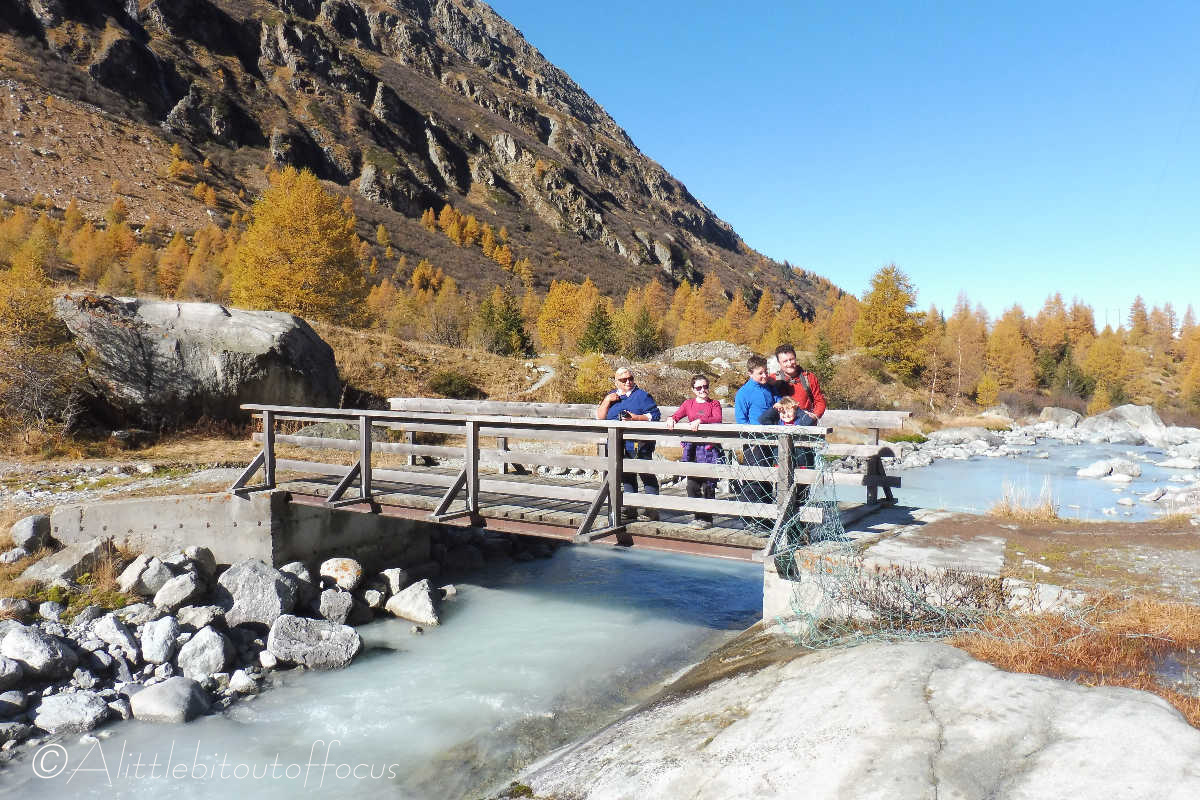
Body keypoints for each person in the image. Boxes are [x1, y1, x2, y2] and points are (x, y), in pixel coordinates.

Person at [597, 367, 661, 521]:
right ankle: (630, 508)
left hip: (640, 443)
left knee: (646, 474)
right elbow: (600, 417)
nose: (628, 382)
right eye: (623, 379)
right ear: (616, 381)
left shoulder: (642, 396)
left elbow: (655, 415)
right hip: (617, 444)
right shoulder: (612, 396)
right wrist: (606, 401)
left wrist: (635, 418)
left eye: (630, 378)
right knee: (626, 475)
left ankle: (652, 510)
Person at [667, 374, 723, 529]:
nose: (703, 390)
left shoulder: (714, 403)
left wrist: (701, 421)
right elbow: (677, 415)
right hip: (692, 449)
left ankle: (707, 518)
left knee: (708, 484)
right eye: (699, 388)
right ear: (693, 389)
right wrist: (671, 419)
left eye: (705, 386)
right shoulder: (688, 403)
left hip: (709, 449)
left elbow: (717, 419)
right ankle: (697, 516)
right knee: (692, 484)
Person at [733, 355, 781, 525]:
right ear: (750, 373)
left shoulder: (770, 388)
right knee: (753, 481)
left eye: (766, 372)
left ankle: (766, 519)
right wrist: (752, 439)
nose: (764, 375)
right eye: (760, 373)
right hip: (753, 443)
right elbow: (741, 420)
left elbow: (779, 404)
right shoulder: (743, 393)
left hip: (771, 441)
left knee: (767, 480)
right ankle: (750, 520)